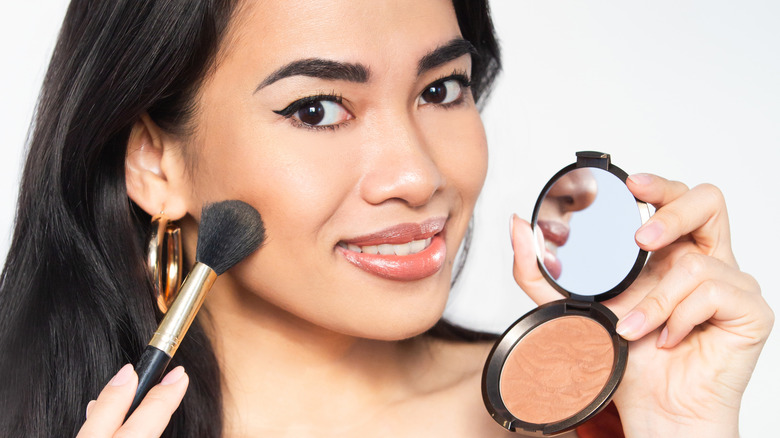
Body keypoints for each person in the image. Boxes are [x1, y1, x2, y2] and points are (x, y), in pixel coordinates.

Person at [0, 0, 772, 437]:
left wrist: (688, 430)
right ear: (155, 164)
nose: (418, 174)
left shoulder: (593, 417)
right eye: (317, 108)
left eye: (442, 90)